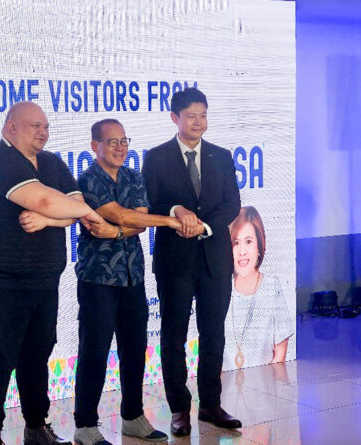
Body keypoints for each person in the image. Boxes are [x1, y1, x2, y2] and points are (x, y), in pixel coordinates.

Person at [0, 101, 107, 445]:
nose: (43, 132)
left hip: (43, 280)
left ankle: (36, 426)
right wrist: (84, 212)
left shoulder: (53, 163)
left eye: (45, 127)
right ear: (10, 128)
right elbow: (47, 200)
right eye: (34, 126)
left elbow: (68, 207)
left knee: (37, 354)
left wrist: (50, 218)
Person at [64, 119, 179, 445]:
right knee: (94, 352)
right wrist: (167, 221)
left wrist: (116, 230)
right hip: (98, 278)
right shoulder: (87, 180)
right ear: (94, 146)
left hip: (132, 277)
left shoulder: (133, 175)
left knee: (134, 348)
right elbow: (124, 215)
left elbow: (136, 221)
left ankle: (132, 417)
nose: (119, 147)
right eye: (111, 141)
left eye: (124, 140)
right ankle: (85, 426)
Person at [141, 88, 242, 435]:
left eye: (203, 115)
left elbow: (231, 204)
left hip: (214, 259)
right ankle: (179, 409)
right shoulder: (156, 158)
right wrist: (174, 211)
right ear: (175, 118)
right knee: (174, 335)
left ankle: (211, 405)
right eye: (190, 116)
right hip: (175, 261)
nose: (198, 122)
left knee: (213, 334)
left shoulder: (222, 156)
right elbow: (150, 205)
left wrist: (205, 226)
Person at [226, 206, 294, 369]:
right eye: (236, 243)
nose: (242, 251)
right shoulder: (221, 288)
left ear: (259, 246)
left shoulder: (271, 287)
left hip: (264, 386)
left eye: (248, 241)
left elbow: (280, 352)